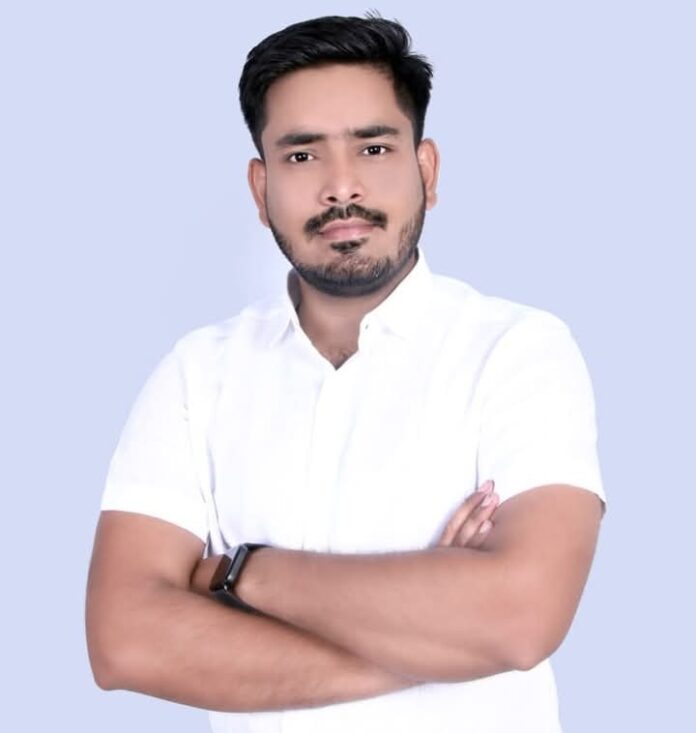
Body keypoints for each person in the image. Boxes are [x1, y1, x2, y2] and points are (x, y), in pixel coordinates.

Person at [86, 12, 607, 733]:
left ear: (426, 170)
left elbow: (520, 618)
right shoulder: (196, 375)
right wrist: (444, 638)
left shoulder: (518, 350)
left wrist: (242, 573)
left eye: (374, 147)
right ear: (260, 188)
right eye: (302, 155)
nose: (341, 186)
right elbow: (125, 642)